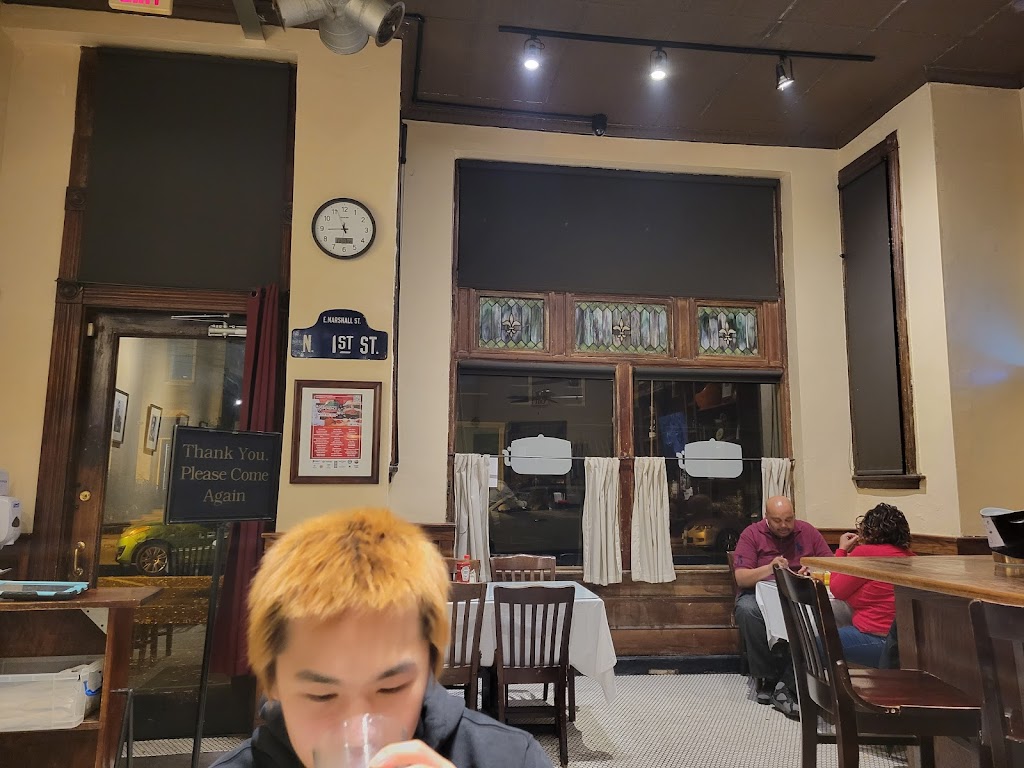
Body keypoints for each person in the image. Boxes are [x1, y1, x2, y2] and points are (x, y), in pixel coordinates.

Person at [213, 508, 552, 768]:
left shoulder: (512, 759)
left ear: (428, 668)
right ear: (272, 683)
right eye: (321, 695)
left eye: (391, 688)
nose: (356, 733)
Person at [731, 495, 833, 719]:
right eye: (778, 520)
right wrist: (770, 568)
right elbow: (742, 578)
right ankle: (767, 676)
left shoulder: (807, 531)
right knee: (747, 610)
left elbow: (830, 565)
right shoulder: (751, 534)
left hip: (799, 591)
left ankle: (798, 675)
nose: (784, 525)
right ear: (766, 518)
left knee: (824, 611)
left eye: (789, 519)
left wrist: (813, 571)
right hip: (759, 591)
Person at [829, 503, 914, 668]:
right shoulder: (911, 557)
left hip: (879, 640)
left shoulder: (865, 554)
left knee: (813, 642)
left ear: (868, 530)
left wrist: (841, 550)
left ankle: (795, 682)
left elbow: (837, 590)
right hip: (906, 643)